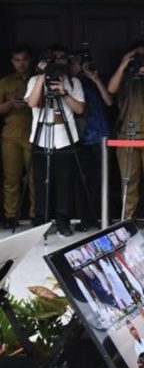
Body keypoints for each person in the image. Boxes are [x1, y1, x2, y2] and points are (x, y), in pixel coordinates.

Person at [25, 48, 86, 236]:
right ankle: (41, 219)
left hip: (65, 138)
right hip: (41, 137)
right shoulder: (35, 80)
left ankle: (62, 220)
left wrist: (64, 93)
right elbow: (32, 103)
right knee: (41, 182)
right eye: (53, 60)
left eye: (61, 60)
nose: (57, 63)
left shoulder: (73, 82)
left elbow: (80, 109)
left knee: (64, 182)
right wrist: (43, 77)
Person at [108, 41, 144, 232]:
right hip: (127, 135)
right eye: (136, 56)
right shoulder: (125, 77)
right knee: (128, 179)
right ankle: (128, 218)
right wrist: (124, 65)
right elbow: (111, 90)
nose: (139, 61)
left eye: (143, 56)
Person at [71, 54, 113, 232]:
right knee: (82, 181)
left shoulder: (97, 79)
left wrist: (95, 79)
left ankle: (103, 217)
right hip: (79, 136)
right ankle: (85, 218)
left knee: (102, 180)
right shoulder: (69, 82)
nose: (81, 67)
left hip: (100, 135)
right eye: (77, 63)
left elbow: (109, 101)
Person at [0, 46, 35, 228]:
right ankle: (10, 214)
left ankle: (36, 214)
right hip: (11, 135)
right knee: (11, 177)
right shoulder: (5, 82)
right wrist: (10, 104)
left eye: (24, 59)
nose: (21, 64)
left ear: (30, 60)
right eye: (17, 60)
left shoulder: (37, 79)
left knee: (34, 178)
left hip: (33, 134)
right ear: (12, 62)